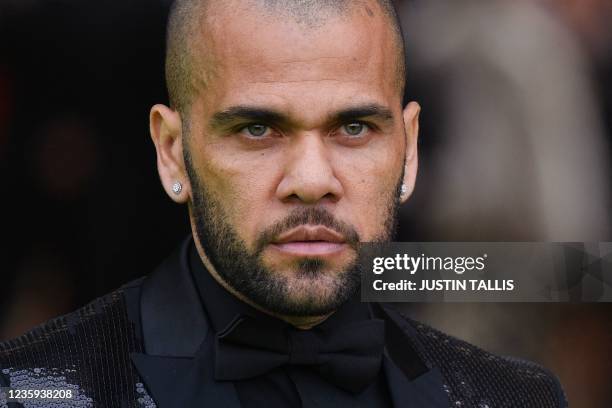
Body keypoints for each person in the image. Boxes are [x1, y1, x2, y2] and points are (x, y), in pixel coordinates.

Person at [0, 1, 566, 407]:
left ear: (410, 150)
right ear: (172, 154)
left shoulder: (514, 396)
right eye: (256, 129)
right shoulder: (31, 391)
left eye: (353, 127)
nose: (312, 180)